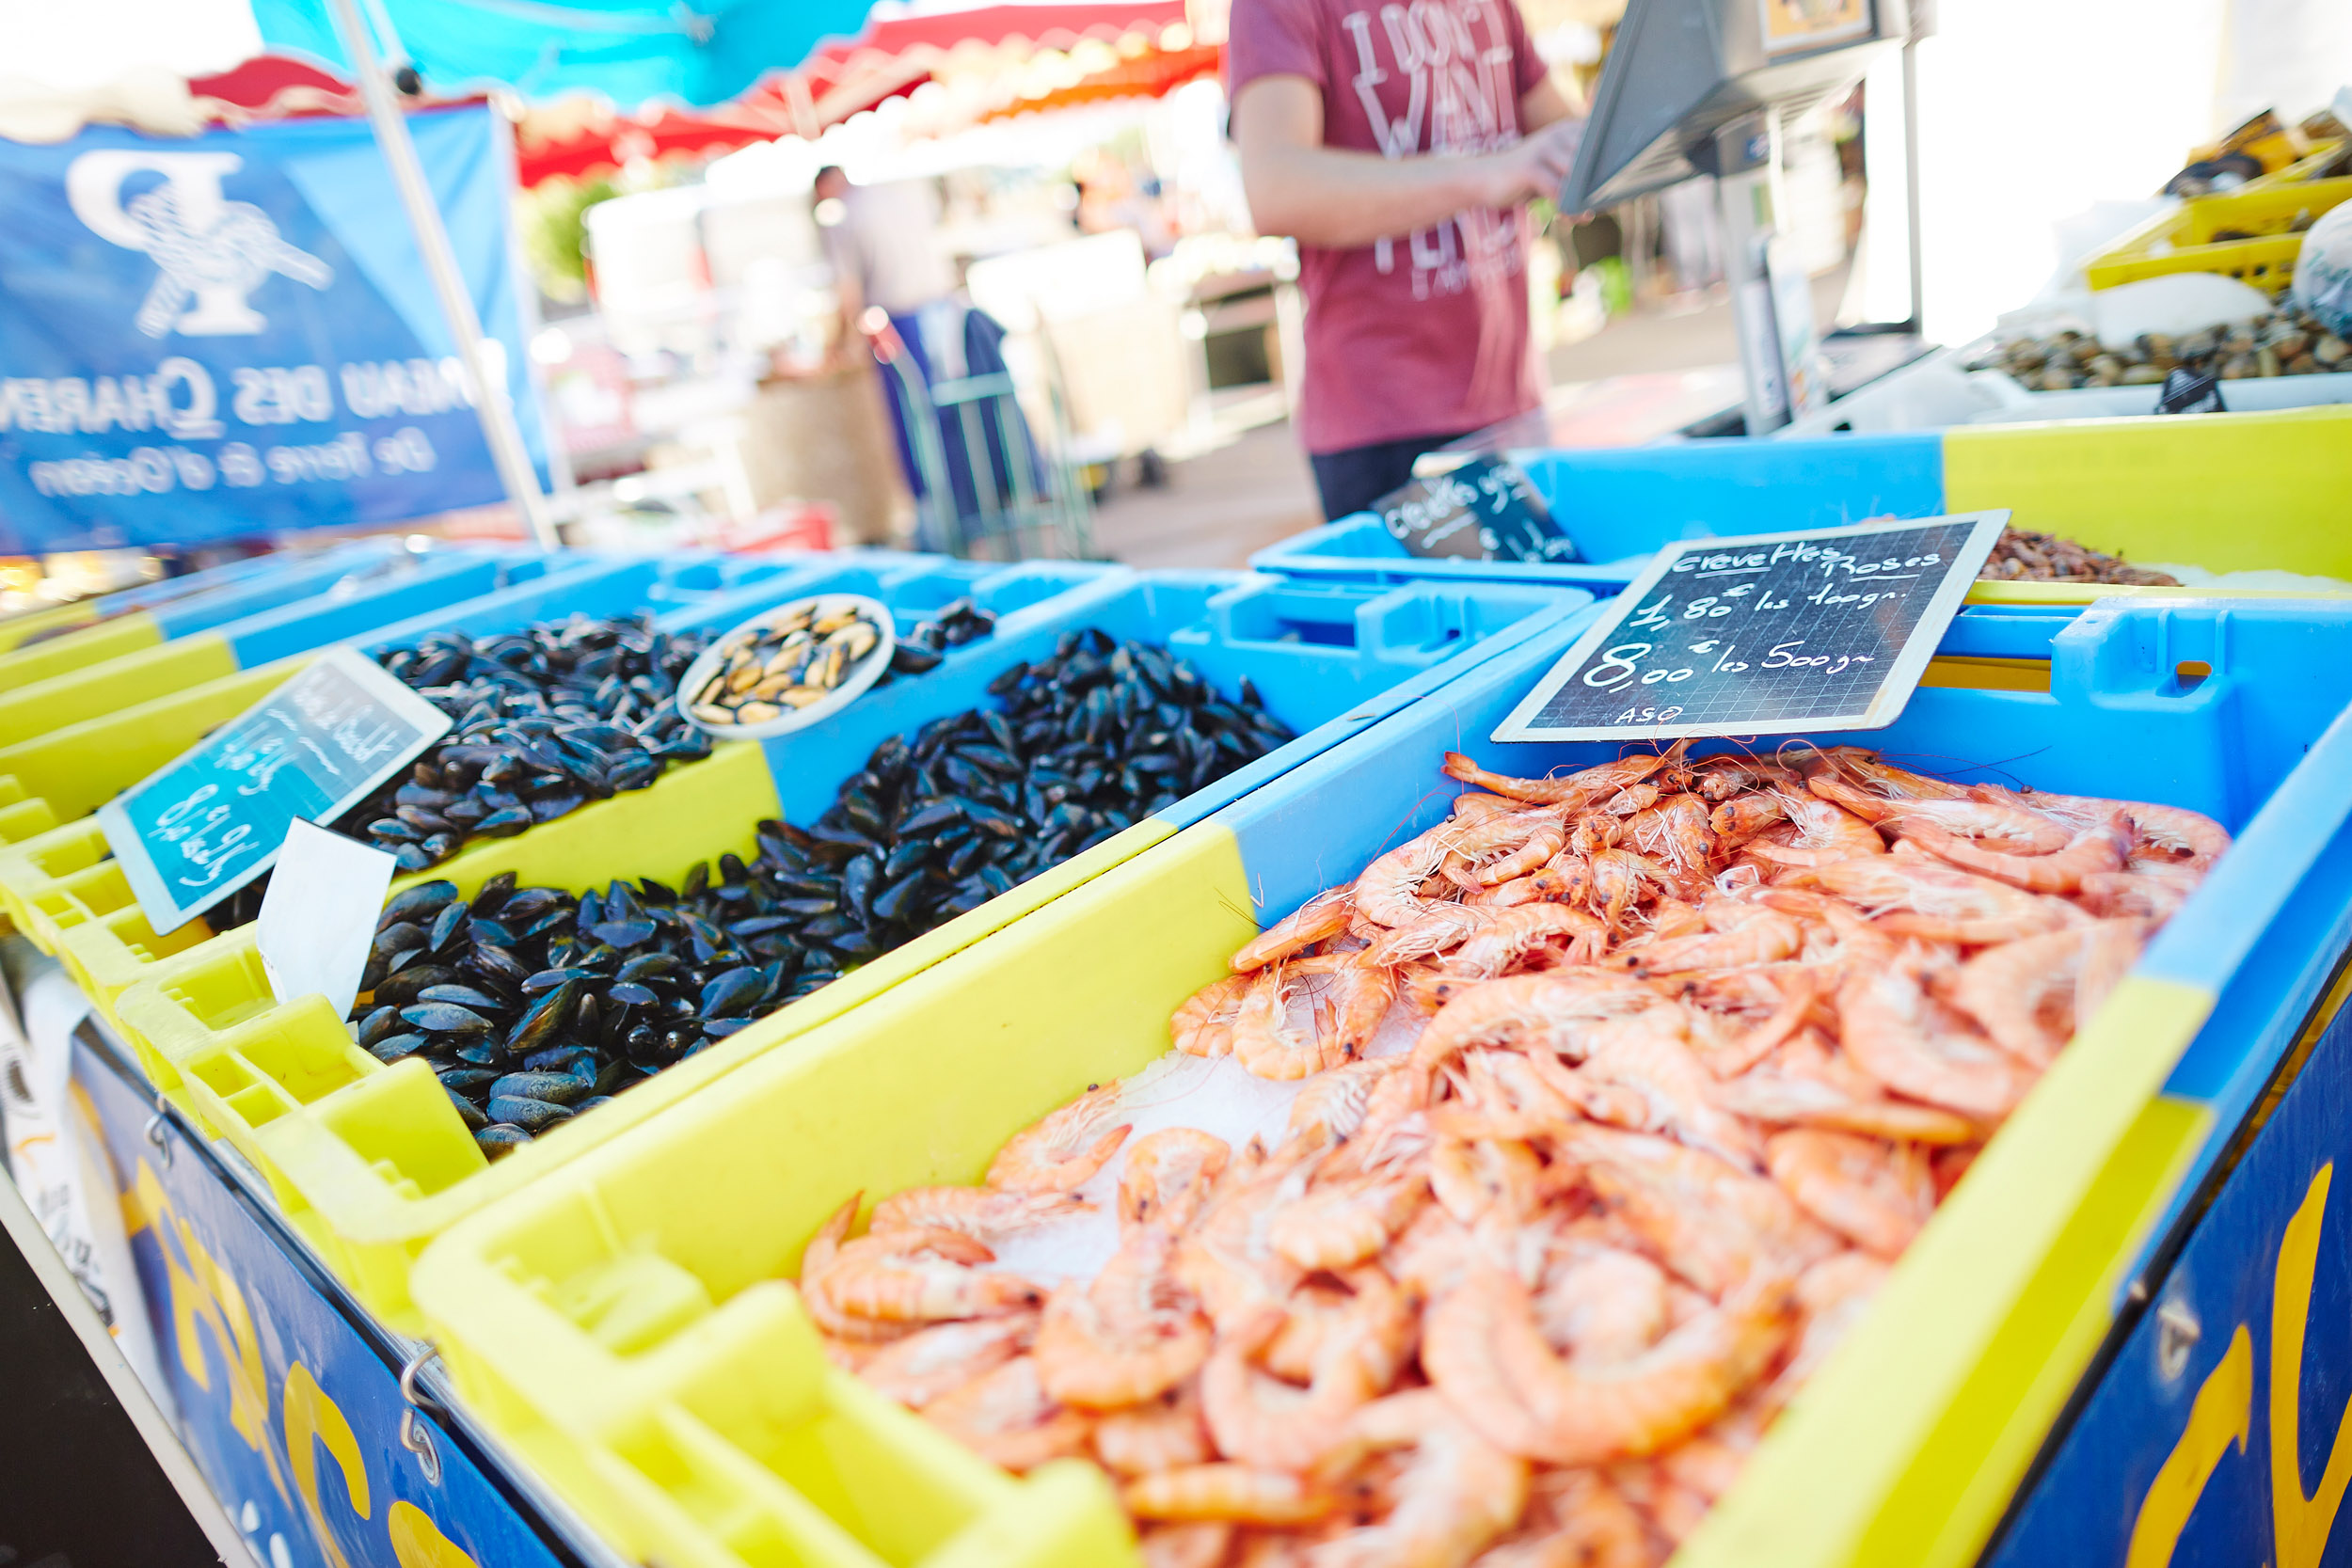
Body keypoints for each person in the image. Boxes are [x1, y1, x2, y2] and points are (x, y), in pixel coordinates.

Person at [1226, 1, 1586, 520]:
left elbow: (1564, 137)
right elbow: (1275, 188)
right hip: (1386, 424)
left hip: (1513, 404)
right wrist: (1487, 174)